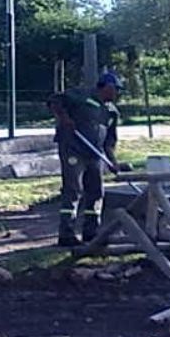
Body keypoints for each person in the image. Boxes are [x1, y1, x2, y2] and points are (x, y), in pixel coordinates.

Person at [48, 72, 123, 247]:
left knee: (96, 191)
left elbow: (110, 141)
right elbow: (54, 101)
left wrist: (112, 161)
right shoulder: (82, 96)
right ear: (106, 87)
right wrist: (64, 118)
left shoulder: (111, 112)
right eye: (115, 89)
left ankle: (91, 232)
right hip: (73, 149)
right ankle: (66, 233)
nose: (116, 94)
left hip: (95, 154)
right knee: (74, 189)